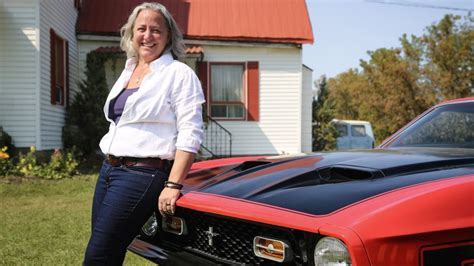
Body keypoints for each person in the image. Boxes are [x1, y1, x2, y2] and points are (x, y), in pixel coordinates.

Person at [83, 2, 204, 265]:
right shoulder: (128, 71)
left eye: (156, 30)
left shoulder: (179, 74)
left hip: (142, 174)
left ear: (168, 36)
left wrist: (173, 185)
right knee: (106, 250)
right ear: (131, 33)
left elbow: (191, 132)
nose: (147, 36)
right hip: (109, 170)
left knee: (98, 255)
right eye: (141, 29)